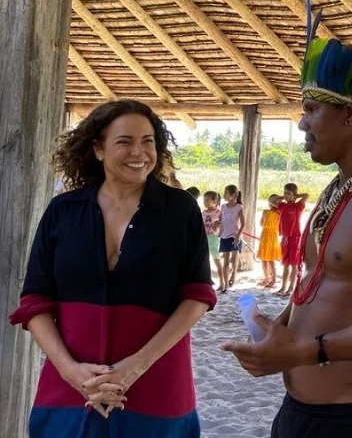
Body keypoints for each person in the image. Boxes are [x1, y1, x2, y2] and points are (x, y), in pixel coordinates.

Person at [222, 25, 352, 437]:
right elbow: (316, 278)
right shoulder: (339, 187)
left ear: (349, 115)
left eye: (311, 110)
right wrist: (280, 332)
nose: (302, 124)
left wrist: (307, 350)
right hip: (302, 413)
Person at [8, 99, 216, 438]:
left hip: (157, 385)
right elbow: (35, 300)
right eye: (125, 141)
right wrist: (71, 371)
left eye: (148, 140)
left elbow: (197, 296)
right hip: (70, 389)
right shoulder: (62, 211)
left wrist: (134, 368)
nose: (140, 151)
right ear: (98, 149)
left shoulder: (180, 210)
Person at [275, 183, 308, 296]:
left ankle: (291, 287)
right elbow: (271, 200)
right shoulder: (282, 206)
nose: (285, 195)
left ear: (294, 195)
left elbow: (306, 196)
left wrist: (295, 196)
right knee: (285, 264)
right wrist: (282, 197)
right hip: (285, 238)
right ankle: (283, 287)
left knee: (293, 264)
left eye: (288, 193)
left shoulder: (298, 206)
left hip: (295, 237)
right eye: (285, 192)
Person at [219, 183, 245, 292]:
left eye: (226, 193)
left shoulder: (239, 207)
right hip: (224, 236)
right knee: (225, 261)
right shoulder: (223, 206)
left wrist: (237, 237)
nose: (224, 195)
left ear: (234, 195)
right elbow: (221, 220)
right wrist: (218, 225)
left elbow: (243, 224)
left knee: (234, 259)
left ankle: (233, 275)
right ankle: (225, 285)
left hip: (234, 236)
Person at [258, 194, 282, 288]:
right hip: (266, 236)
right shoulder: (267, 212)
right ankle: (267, 278)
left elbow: (262, 223)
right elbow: (261, 223)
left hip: (271, 236)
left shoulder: (279, 213)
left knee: (270, 259)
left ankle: (273, 279)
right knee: (264, 258)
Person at [202, 190, 224, 291]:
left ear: (214, 201)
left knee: (216, 260)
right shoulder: (203, 212)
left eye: (207, 200)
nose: (205, 202)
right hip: (204, 237)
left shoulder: (219, 212)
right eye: (204, 200)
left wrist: (218, 224)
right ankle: (208, 281)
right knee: (205, 261)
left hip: (214, 238)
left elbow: (224, 223)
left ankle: (222, 282)